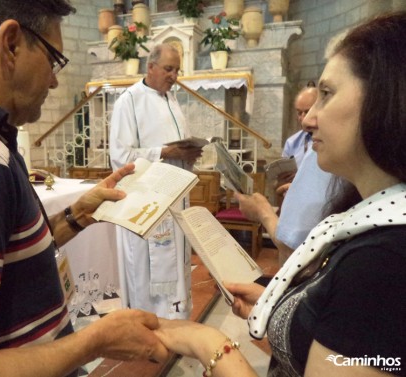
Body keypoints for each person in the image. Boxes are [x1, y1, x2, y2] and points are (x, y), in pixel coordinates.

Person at [0, 2, 169, 376]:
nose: (54, 81)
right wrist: (94, 341)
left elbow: (0, 256)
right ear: (11, 44)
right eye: (54, 59)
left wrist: (79, 214)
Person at [156, 12, 406, 376]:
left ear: (383, 102)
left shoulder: (384, 262)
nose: (307, 120)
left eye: (327, 94)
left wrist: (210, 345)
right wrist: (284, 305)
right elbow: (336, 318)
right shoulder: (374, 225)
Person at [109, 43, 203, 319]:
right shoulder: (130, 101)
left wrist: (188, 154)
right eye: (168, 69)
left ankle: (176, 317)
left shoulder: (171, 100)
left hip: (174, 198)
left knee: (176, 260)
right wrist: (165, 152)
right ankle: (147, 319)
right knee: (146, 266)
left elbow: (176, 147)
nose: (174, 76)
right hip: (146, 204)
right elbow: (120, 155)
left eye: (177, 70)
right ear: (150, 67)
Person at [282, 85, 318, 169]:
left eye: (307, 112)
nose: (302, 118)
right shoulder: (291, 143)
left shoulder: (332, 141)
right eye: (299, 113)